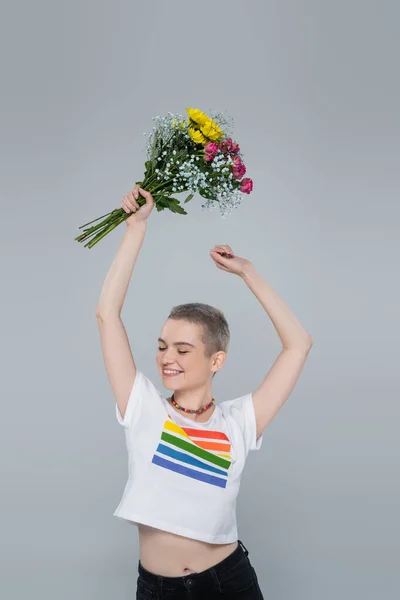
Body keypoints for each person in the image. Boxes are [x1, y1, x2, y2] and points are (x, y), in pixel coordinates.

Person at [95, 185, 313, 599]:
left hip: (228, 583)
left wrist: (248, 272)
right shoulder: (143, 407)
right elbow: (108, 315)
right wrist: (135, 230)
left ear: (216, 360)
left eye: (182, 349)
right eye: (161, 347)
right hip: (159, 590)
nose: (166, 359)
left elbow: (298, 343)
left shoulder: (240, 422)